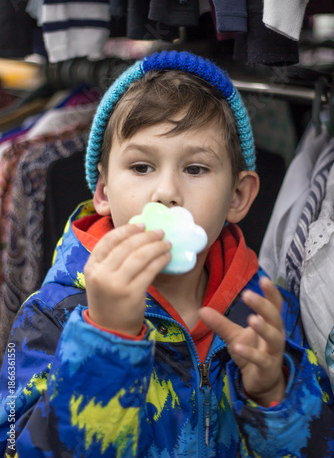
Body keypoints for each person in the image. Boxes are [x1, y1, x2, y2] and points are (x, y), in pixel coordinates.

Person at [0, 50, 333, 457]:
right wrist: (105, 342)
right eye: (141, 167)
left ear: (238, 196)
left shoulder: (267, 313)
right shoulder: (50, 314)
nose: (166, 192)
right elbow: (13, 447)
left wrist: (275, 393)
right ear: (103, 192)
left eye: (195, 169)